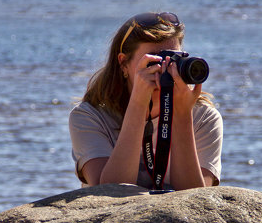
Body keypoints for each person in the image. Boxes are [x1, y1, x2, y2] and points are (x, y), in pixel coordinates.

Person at [69, 12, 223, 191]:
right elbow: (108, 192)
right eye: (154, 61)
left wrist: (182, 115)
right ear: (123, 63)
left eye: (172, 59)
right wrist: (138, 103)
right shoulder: (89, 116)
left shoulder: (203, 118)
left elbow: (196, 200)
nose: (164, 69)